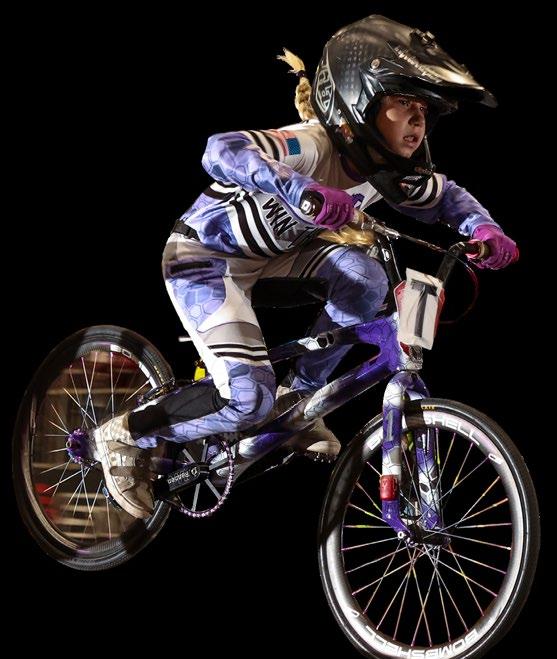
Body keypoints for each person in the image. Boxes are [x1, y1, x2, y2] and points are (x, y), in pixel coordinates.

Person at [92, 15, 518, 519]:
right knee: (248, 398)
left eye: (423, 108)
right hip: (205, 260)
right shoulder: (312, 145)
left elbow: (446, 196)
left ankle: (298, 398)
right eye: (404, 102)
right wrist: (300, 189)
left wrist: (484, 229)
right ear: (361, 101)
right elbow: (222, 149)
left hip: (276, 259)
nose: (418, 119)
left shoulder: (386, 170)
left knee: (366, 280)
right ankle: (125, 434)